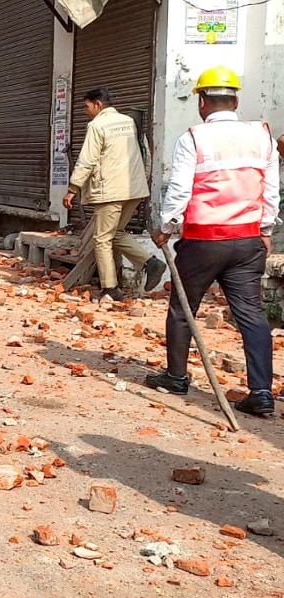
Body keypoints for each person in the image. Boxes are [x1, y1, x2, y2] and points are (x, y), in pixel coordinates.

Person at [145, 66, 278, 417]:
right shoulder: (261, 135)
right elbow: (271, 190)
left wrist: (167, 227)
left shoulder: (194, 138)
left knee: (182, 308)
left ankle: (176, 377)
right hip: (247, 240)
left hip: (203, 241)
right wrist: (265, 231)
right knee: (252, 314)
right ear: (236, 101)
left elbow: (180, 190)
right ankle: (262, 392)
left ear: (202, 101)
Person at [63, 88, 166, 301]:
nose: (85, 111)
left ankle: (110, 288)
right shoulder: (128, 122)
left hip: (110, 190)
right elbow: (142, 152)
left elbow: (87, 160)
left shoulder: (97, 125)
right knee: (116, 233)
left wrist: (73, 188)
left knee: (102, 239)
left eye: (87, 107)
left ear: (98, 105)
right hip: (134, 189)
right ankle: (151, 263)